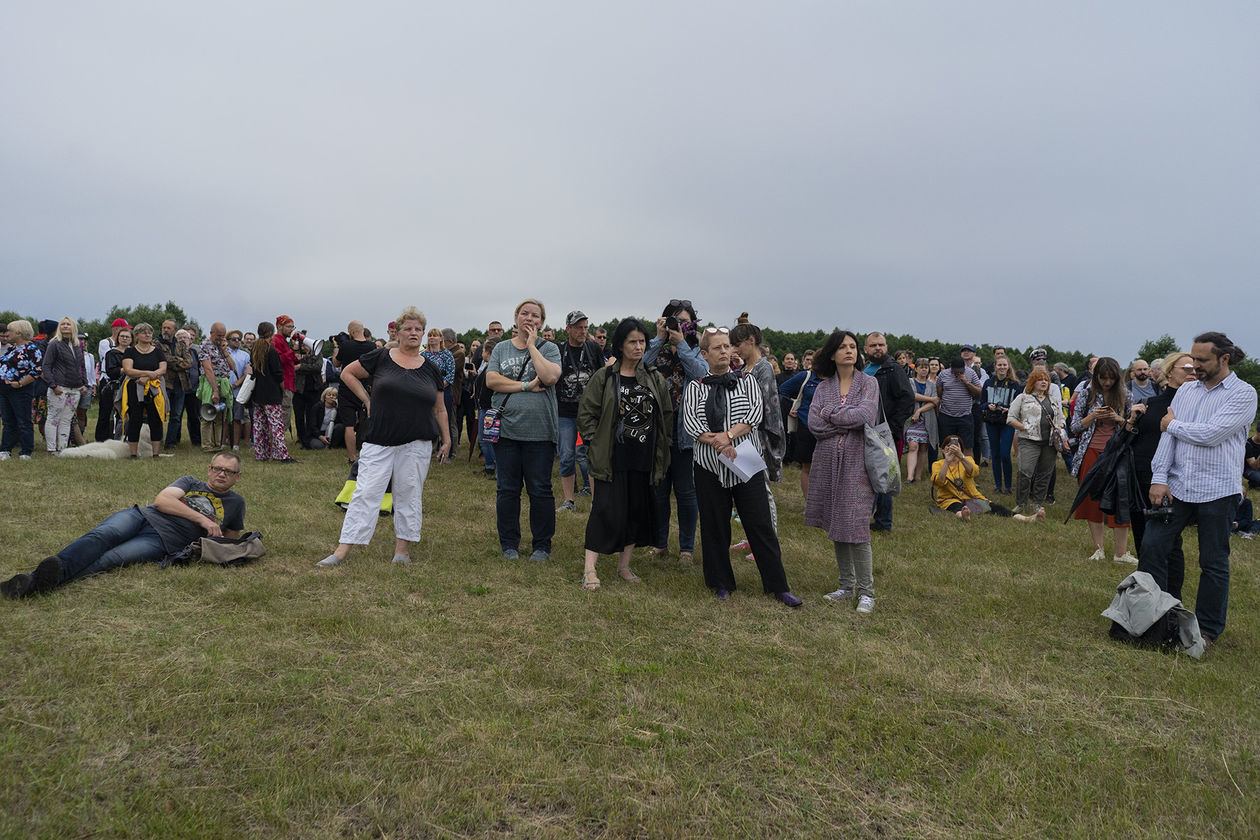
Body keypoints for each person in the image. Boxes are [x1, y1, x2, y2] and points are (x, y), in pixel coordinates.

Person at [1139, 332, 1257, 643]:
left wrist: (1172, 425)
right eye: (1192, 360)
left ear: (1224, 359)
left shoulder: (1243, 394)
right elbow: (1168, 438)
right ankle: (1157, 615)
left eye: (1202, 361)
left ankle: (1207, 630)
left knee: (1213, 561)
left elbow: (1212, 434)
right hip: (1177, 486)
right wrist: (1159, 477)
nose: (1194, 367)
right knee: (1152, 545)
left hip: (1219, 490)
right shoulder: (1186, 391)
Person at [1, 452, 246, 598]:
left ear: (237, 477)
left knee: (109, 560)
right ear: (209, 469)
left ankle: (32, 584)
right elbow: (162, 501)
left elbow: (229, 541)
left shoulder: (236, 503)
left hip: (162, 541)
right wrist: (203, 519)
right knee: (101, 537)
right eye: (217, 469)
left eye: (228, 471)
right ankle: (37, 581)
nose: (221, 474)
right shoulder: (190, 481)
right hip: (141, 516)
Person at [316, 309, 451, 567]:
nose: (413, 333)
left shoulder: (431, 368)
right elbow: (347, 374)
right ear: (398, 332)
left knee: (409, 492)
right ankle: (342, 550)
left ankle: (402, 551)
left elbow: (440, 408)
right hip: (379, 438)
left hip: (417, 441)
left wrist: (446, 439)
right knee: (365, 491)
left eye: (417, 329)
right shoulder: (380, 357)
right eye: (408, 328)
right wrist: (366, 400)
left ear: (423, 333)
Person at [682, 327, 801, 607]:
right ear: (704, 354)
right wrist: (717, 442)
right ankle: (721, 582)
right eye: (717, 348)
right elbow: (692, 424)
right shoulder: (695, 387)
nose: (724, 351)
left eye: (727, 346)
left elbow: (754, 414)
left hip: (745, 460)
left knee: (759, 523)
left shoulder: (747, 382)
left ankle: (777, 585)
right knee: (715, 525)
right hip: (709, 465)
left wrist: (729, 436)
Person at [576, 318, 672, 590]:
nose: (639, 346)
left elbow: (665, 415)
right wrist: (596, 441)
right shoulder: (605, 377)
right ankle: (589, 569)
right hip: (611, 457)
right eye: (633, 341)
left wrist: (662, 448)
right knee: (604, 510)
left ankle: (624, 566)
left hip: (643, 457)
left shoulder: (654, 378)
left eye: (642, 341)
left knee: (634, 511)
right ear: (620, 345)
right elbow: (587, 413)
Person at [804, 330, 879, 614]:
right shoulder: (823, 388)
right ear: (832, 353)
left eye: (853, 346)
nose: (849, 350)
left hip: (857, 463)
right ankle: (846, 586)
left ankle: (867, 592)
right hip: (826, 462)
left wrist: (831, 415)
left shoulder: (869, 383)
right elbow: (814, 424)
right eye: (843, 347)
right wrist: (843, 420)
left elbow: (865, 416)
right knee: (837, 522)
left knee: (856, 525)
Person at [485, 299, 562, 561]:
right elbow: (491, 380)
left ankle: (541, 545)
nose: (530, 319)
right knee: (507, 489)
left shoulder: (549, 348)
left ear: (542, 321)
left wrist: (531, 345)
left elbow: (550, 377)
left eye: (536, 316)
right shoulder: (501, 349)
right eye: (525, 314)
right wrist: (526, 386)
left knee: (540, 489)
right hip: (506, 431)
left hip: (540, 432)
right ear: (516, 317)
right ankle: (509, 544)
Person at [642, 299, 709, 564]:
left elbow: (702, 374)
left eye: (683, 321)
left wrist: (680, 342)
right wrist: (659, 339)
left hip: (685, 428)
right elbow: (639, 367)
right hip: (657, 427)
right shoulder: (654, 347)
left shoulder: (694, 348)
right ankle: (659, 544)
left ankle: (686, 549)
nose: (677, 325)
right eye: (673, 320)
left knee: (686, 491)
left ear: (691, 324)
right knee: (658, 490)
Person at [1125, 351, 1194, 563]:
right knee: (1142, 536)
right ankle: (1144, 586)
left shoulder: (1198, 405)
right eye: (1187, 368)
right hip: (1142, 476)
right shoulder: (1152, 403)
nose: (1193, 372)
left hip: (1174, 479)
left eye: (1195, 368)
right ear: (1170, 372)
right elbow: (1132, 439)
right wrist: (1130, 421)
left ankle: (1170, 593)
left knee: (1169, 542)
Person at [1070, 357, 1134, 563]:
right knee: (1091, 502)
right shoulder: (1086, 394)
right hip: (1090, 452)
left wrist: (1119, 420)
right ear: (1096, 377)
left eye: (1111, 378)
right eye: (1103, 378)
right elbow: (1074, 427)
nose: (1107, 382)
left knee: (1120, 500)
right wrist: (1093, 417)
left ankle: (1121, 553)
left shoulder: (1126, 395)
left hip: (1117, 453)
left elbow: (1135, 428)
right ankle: (1098, 549)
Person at [730, 322, 786, 527]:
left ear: (751, 341)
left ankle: (768, 538)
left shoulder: (764, 368)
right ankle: (753, 538)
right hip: (742, 436)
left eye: (737, 344)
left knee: (762, 492)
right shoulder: (744, 369)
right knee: (745, 492)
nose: (734, 349)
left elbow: (764, 405)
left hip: (758, 438)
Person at [863, 332, 915, 532]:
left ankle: (883, 522)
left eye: (881, 345)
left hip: (884, 432)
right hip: (865, 430)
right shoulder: (863, 370)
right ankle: (866, 516)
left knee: (883, 475)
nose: (878, 348)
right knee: (867, 474)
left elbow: (907, 399)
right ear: (866, 349)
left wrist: (892, 427)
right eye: (874, 345)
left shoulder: (892, 369)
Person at [930, 435, 1044, 522]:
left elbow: (974, 471)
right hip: (949, 498)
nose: (952, 447)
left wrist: (961, 457)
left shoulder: (967, 459)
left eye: (956, 445)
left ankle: (1026, 518)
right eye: (948, 445)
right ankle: (964, 515)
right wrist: (947, 461)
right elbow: (938, 481)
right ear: (943, 449)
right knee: (956, 507)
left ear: (961, 448)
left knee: (996, 508)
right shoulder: (937, 464)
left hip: (971, 497)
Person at [556, 310, 604, 511]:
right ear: (568, 329)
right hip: (565, 413)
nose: (583, 331)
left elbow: (602, 375)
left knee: (592, 456)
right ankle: (569, 500)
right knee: (567, 456)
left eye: (585, 327)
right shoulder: (559, 350)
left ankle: (596, 501)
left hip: (590, 413)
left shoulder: (593, 348)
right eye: (578, 327)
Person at [1006, 369, 1063, 516]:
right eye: (1040, 379)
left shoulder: (1054, 400)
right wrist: (1025, 427)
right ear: (1033, 382)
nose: (1044, 382)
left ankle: (1037, 503)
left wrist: (1060, 427)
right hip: (1028, 440)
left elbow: (1061, 419)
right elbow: (1011, 418)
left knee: (1045, 474)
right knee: (1025, 471)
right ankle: (1021, 503)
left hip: (1050, 442)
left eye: (1046, 380)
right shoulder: (1023, 398)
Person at [41, 317, 88, 455]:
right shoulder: (54, 344)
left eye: (68, 324)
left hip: (76, 388)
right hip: (59, 387)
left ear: (73, 327)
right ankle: (51, 449)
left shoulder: (77, 344)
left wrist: (84, 383)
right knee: (53, 418)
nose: (65, 326)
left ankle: (62, 449)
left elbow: (82, 366)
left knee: (67, 420)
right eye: (63, 324)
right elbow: (46, 366)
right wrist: (53, 385)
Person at [249, 322, 295, 463]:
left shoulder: (254, 350)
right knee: (276, 426)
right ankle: (281, 454)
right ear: (271, 332)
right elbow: (278, 374)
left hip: (258, 394)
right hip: (272, 393)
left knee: (259, 426)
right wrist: (282, 389)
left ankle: (261, 454)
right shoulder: (272, 351)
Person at [778, 356, 822, 498]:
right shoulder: (806, 376)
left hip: (828, 429)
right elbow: (783, 389)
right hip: (806, 427)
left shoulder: (835, 378)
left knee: (824, 469)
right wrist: (792, 405)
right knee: (807, 467)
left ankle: (824, 504)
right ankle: (809, 505)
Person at [121, 323, 167, 458]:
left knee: (156, 418)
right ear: (137, 335)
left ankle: (156, 454)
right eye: (144, 332)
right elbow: (128, 370)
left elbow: (162, 369)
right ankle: (133, 454)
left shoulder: (158, 351)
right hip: (134, 387)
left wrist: (148, 377)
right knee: (135, 419)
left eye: (149, 332)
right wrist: (147, 373)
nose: (147, 335)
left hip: (154, 388)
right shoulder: (130, 351)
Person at [333, 321, 377, 461]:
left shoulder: (346, 345)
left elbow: (336, 363)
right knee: (367, 422)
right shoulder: (372, 346)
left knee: (349, 424)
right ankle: (368, 454)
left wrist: (336, 348)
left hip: (347, 387)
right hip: (366, 387)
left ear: (351, 332)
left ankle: (352, 457)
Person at [0, 320, 43, 460]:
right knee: (8, 421)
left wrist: (19, 383)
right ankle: (5, 449)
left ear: (19, 333)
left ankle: (26, 450)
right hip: (5, 388)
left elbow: (36, 370)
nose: (7, 334)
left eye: (10, 331)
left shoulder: (32, 349)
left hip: (21, 389)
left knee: (23, 420)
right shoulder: (11, 348)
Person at [982, 356, 1021, 494]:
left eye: (1004, 365)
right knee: (996, 454)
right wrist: (989, 405)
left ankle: (1008, 486)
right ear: (995, 366)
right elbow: (982, 403)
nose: (1002, 367)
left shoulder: (1014, 385)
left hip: (1007, 422)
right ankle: (998, 485)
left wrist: (1008, 408)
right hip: (992, 421)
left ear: (1008, 366)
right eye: (1000, 365)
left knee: (1005, 454)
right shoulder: (988, 383)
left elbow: (1019, 405)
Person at [197, 323, 235, 453]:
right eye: (219, 335)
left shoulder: (223, 347)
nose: (221, 338)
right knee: (208, 413)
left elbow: (232, 367)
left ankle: (217, 444)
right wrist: (215, 390)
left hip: (224, 381)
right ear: (211, 332)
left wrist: (224, 351)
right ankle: (207, 445)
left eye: (223, 336)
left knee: (220, 415)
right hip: (210, 382)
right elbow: (208, 369)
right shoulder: (205, 346)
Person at [936, 355, 982, 457]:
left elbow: (979, 392)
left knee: (967, 446)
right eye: (956, 370)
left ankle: (968, 470)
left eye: (960, 370)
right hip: (946, 415)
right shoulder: (943, 374)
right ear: (951, 367)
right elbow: (939, 393)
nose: (958, 372)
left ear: (964, 366)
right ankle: (949, 469)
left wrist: (966, 382)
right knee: (947, 446)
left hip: (965, 416)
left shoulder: (971, 373)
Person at [904, 357, 940, 482]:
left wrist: (919, 410)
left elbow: (935, 402)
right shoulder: (910, 381)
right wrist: (930, 399)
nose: (924, 369)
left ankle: (918, 475)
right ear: (916, 369)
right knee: (913, 445)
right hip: (912, 419)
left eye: (926, 367)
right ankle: (910, 476)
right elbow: (912, 396)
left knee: (924, 447)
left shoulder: (932, 384)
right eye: (921, 367)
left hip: (927, 419)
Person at [161, 324, 194, 449]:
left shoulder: (180, 344)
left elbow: (189, 362)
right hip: (164, 383)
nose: (165, 330)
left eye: (168, 328)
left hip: (180, 384)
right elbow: (163, 359)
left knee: (176, 416)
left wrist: (171, 362)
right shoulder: (157, 344)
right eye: (164, 327)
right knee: (160, 414)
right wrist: (179, 360)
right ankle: (157, 440)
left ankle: (170, 443)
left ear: (174, 330)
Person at [293, 339, 325, 448]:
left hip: (314, 389)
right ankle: (301, 438)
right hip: (299, 390)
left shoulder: (317, 353)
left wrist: (301, 367)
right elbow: (292, 367)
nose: (305, 347)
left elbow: (317, 367)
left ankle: (309, 438)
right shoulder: (296, 354)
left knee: (312, 415)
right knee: (299, 416)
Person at [273, 316, 299, 441]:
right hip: (284, 383)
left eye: (292, 327)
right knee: (283, 413)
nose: (291, 330)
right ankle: (277, 443)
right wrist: (291, 351)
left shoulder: (283, 341)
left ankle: (278, 442)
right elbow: (277, 361)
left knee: (286, 413)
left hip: (289, 382)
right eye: (288, 326)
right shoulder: (276, 340)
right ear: (279, 326)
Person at [225, 329, 252, 449]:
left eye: (239, 339)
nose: (237, 341)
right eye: (234, 339)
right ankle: (224, 442)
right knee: (224, 418)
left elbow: (247, 373)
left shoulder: (245, 355)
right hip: (224, 390)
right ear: (228, 340)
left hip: (238, 391)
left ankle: (235, 444)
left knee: (237, 418)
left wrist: (236, 384)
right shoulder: (223, 353)